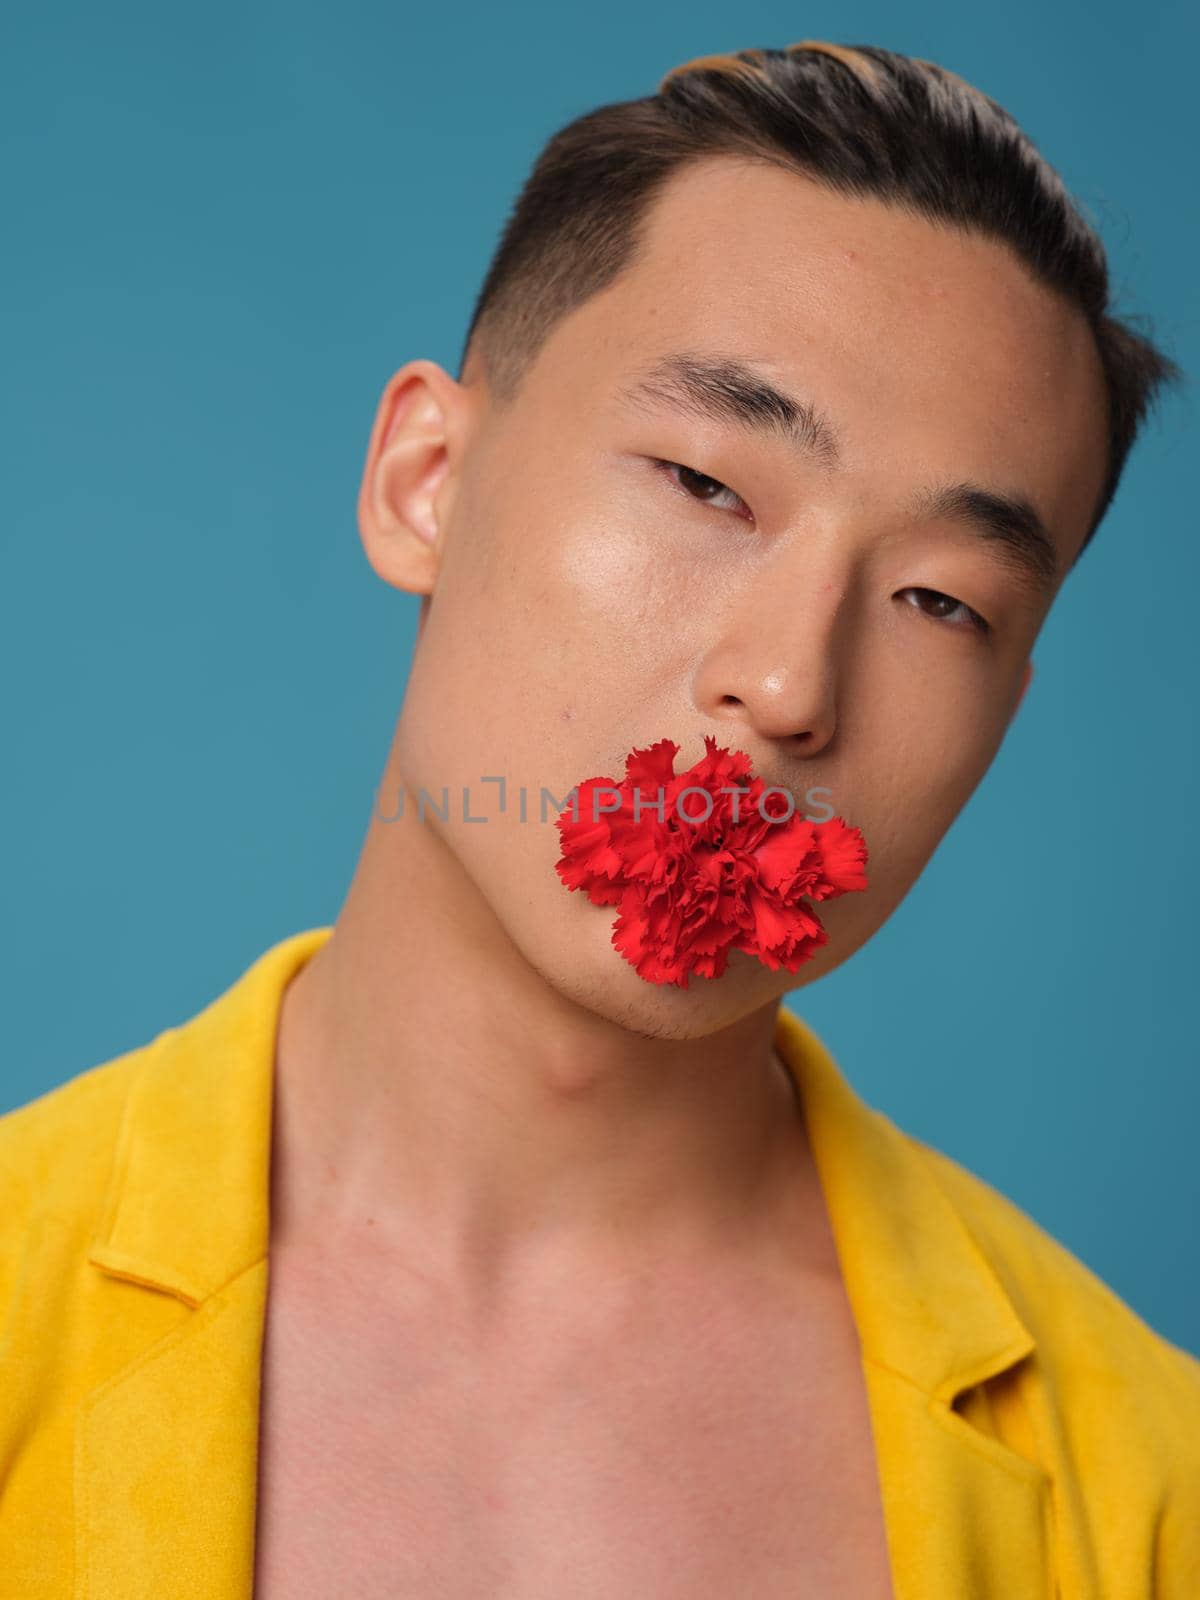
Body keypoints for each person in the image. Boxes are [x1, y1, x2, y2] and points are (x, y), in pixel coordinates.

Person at [1, 37, 1196, 1599]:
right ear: (426, 479)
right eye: (708, 486)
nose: (785, 686)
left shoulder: (1147, 1485)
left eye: (938, 600)